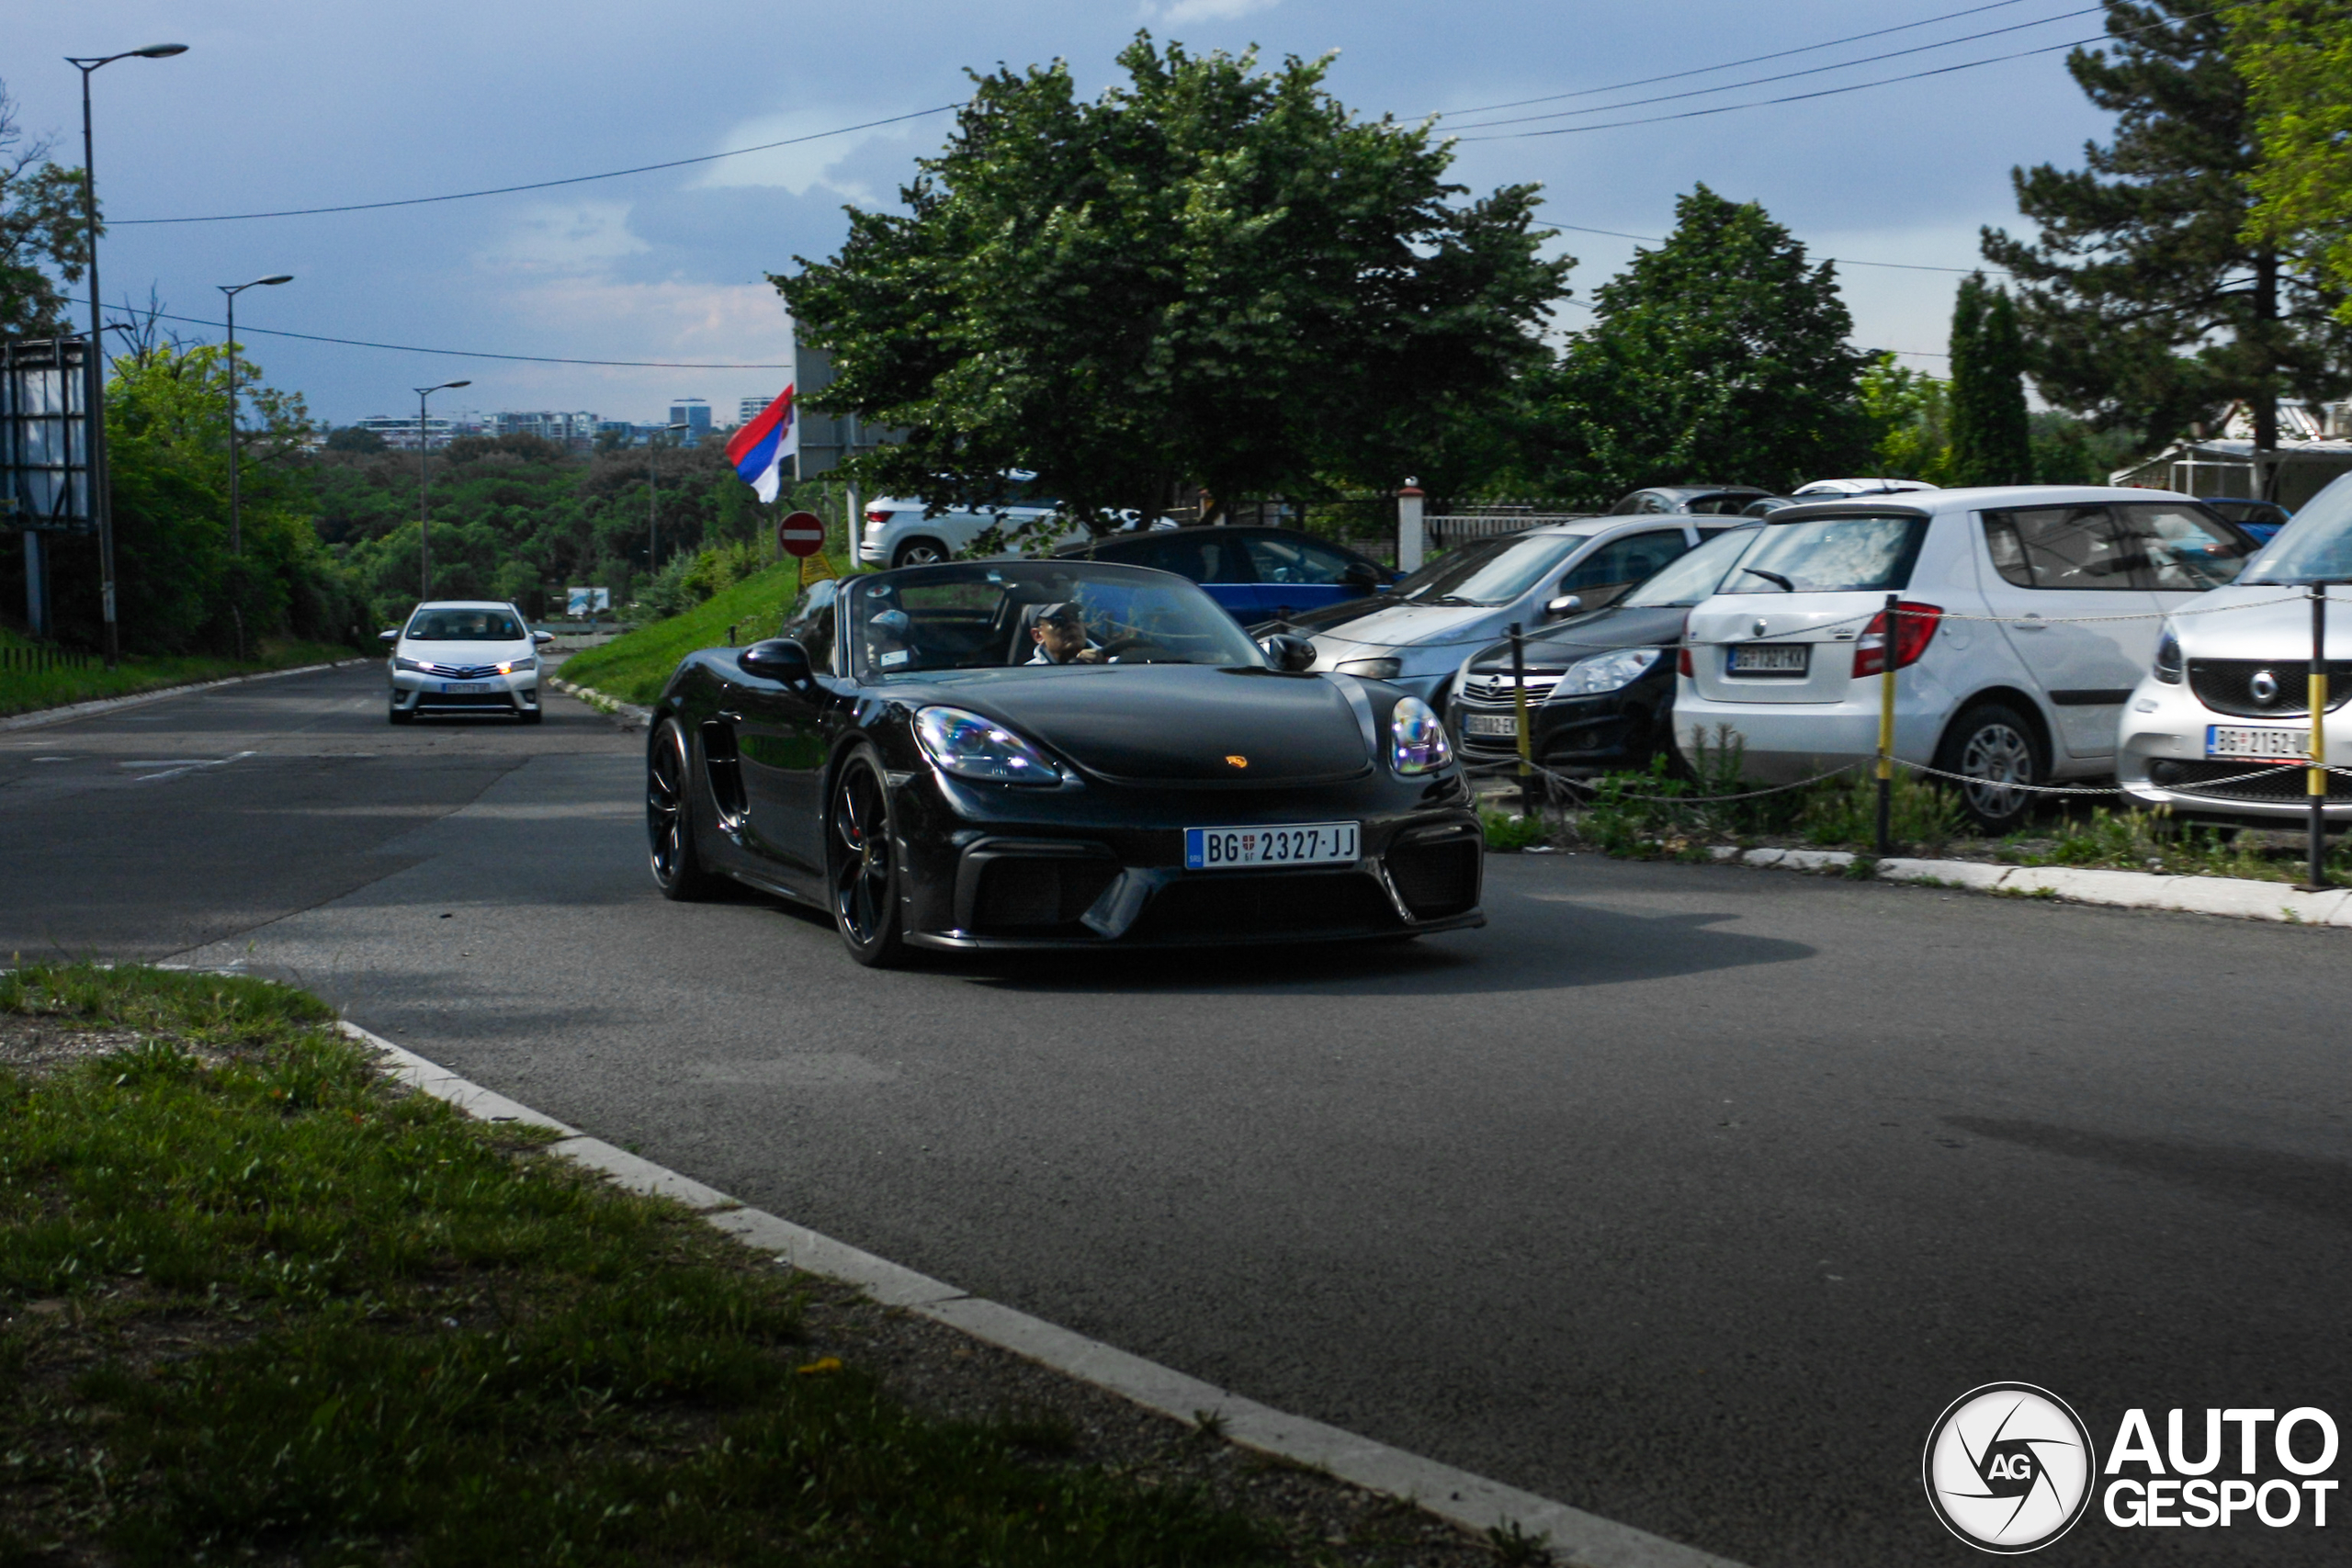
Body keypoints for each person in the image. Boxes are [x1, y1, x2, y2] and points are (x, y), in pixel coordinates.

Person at [1026, 601, 1105, 664]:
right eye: (1059, 620)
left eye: (1075, 616)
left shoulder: (1112, 663)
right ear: (1038, 635)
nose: (1071, 624)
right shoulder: (1029, 676)